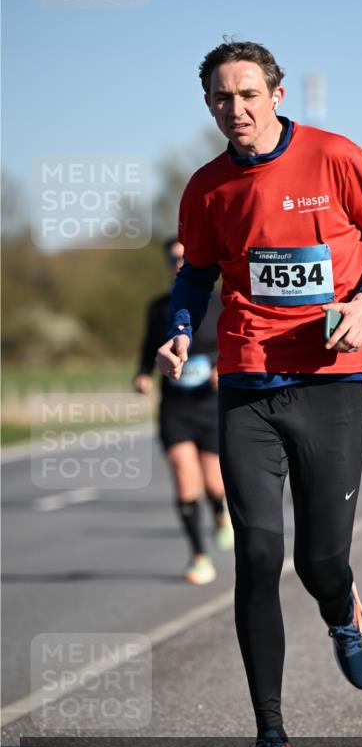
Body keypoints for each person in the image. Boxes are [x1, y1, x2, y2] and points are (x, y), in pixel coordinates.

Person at [155, 40, 362, 747]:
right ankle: (270, 734)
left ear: (273, 94)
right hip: (246, 382)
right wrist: (179, 330)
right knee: (259, 557)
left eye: (245, 94)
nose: (232, 110)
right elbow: (196, 274)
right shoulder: (206, 187)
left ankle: (343, 608)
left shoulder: (334, 157)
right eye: (218, 99)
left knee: (318, 561)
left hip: (331, 378)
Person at [134, 238, 233, 585]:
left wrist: (226, 368)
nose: (178, 263)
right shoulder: (159, 307)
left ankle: (221, 514)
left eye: (184, 257)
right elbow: (149, 347)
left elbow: (235, 342)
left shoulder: (219, 303)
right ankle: (198, 556)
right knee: (183, 475)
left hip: (210, 404)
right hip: (175, 407)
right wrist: (143, 375)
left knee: (213, 481)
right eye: (173, 258)